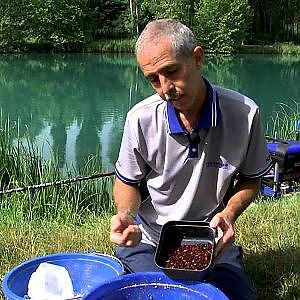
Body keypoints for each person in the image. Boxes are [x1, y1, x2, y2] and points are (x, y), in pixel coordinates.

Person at [110, 18, 272, 300]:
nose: (164, 89)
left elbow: (252, 178)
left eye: (171, 71)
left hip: (210, 239)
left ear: (197, 58)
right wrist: (126, 216)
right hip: (150, 240)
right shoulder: (140, 118)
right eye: (153, 79)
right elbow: (127, 183)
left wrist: (229, 214)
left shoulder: (245, 114)